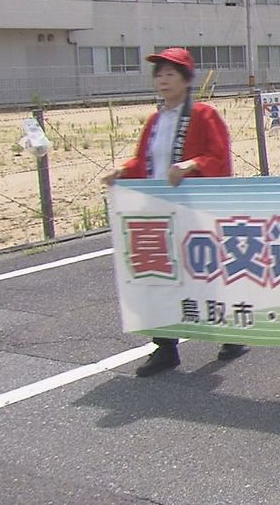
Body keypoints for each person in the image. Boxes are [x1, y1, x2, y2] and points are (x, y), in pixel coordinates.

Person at [102, 47, 244, 377]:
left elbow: (219, 157)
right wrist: (122, 170)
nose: (163, 80)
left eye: (170, 74)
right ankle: (164, 347)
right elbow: (143, 162)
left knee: (204, 274)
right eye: (159, 74)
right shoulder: (155, 120)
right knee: (157, 275)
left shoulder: (203, 115)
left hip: (192, 211)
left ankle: (231, 332)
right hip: (156, 213)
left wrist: (192, 164)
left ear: (186, 80)